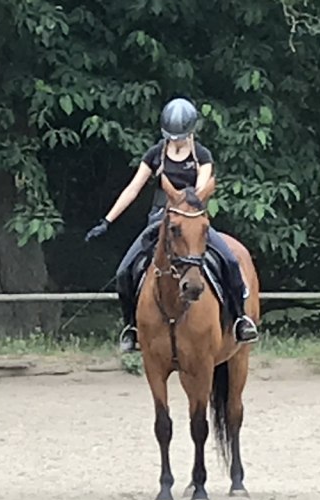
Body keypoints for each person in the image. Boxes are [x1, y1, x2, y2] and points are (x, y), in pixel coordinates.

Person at [84, 97, 259, 352]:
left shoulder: (202, 155)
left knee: (231, 262)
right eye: (172, 136)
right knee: (124, 271)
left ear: (192, 131)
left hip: (191, 221)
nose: (176, 140)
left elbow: (200, 189)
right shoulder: (156, 154)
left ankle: (240, 319)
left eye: (181, 136)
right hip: (160, 221)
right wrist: (107, 220)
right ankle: (132, 327)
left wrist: (188, 206)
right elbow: (133, 188)